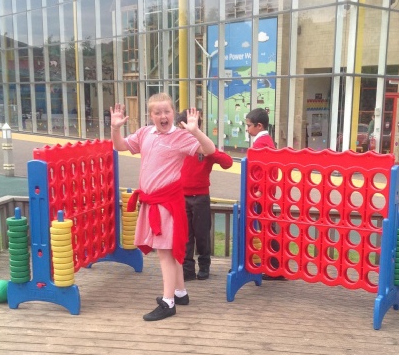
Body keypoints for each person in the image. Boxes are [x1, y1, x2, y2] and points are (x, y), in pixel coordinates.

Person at [110, 94, 216, 321]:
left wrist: (196, 131)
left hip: (167, 203)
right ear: (151, 115)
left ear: (172, 113)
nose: (162, 116)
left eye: (166, 111)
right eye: (157, 112)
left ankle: (168, 302)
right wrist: (115, 128)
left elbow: (209, 150)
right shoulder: (144, 133)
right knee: (169, 250)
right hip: (152, 202)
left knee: (165, 252)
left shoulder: (180, 137)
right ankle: (180, 293)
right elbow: (119, 146)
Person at [177, 109, 233, 281]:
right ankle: (187, 269)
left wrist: (210, 151)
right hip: (181, 197)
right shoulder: (178, 145)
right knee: (185, 235)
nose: (183, 132)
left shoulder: (205, 147)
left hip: (200, 197)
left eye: (186, 128)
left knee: (202, 234)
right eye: (181, 128)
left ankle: (204, 266)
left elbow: (228, 163)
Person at [245, 108, 285, 280]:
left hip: (261, 194)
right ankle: (274, 266)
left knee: (267, 229)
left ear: (259, 125)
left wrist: (259, 191)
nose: (247, 129)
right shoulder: (267, 141)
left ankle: (276, 268)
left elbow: (264, 171)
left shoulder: (261, 144)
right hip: (265, 193)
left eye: (249, 126)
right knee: (267, 228)